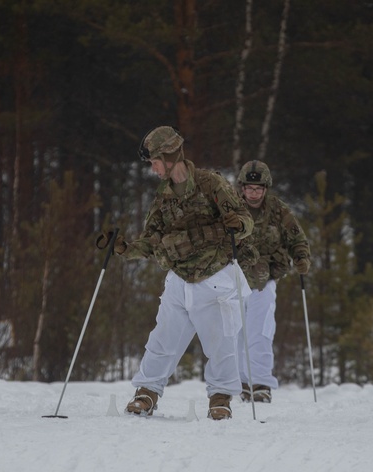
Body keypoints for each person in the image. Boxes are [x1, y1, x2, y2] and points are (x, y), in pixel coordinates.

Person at [98, 126, 255, 420]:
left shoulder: (212, 184)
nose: (153, 169)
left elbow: (246, 222)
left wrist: (239, 225)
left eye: (155, 162)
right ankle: (146, 393)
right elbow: (151, 240)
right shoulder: (163, 198)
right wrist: (123, 248)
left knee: (222, 344)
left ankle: (220, 399)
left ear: (169, 156)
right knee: (162, 340)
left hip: (215, 278)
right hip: (179, 281)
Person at [234, 160, 311, 403]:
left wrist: (301, 257)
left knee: (261, 331)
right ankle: (237, 382)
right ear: (242, 188)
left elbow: (297, 237)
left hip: (264, 279)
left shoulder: (278, 210)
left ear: (266, 188)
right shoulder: (231, 208)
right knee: (233, 332)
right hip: (232, 277)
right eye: (249, 188)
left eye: (258, 188)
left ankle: (260, 383)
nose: (253, 193)